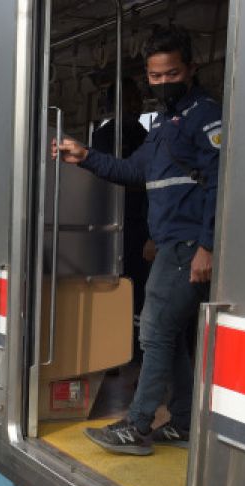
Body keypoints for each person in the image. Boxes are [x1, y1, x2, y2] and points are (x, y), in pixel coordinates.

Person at [54, 25, 221, 456]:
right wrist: (86, 157)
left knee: (152, 332)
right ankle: (182, 423)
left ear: (190, 69)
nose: (163, 83)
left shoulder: (205, 115)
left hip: (188, 245)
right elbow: (134, 172)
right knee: (172, 333)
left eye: (171, 74)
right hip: (170, 242)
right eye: (155, 76)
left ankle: (137, 424)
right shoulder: (164, 124)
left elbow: (223, 180)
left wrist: (208, 245)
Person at [91, 77, 151, 362]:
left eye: (137, 99)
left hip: (134, 226)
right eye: (129, 100)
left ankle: (131, 351)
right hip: (119, 224)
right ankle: (119, 351)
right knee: (123, 290)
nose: (135, 105)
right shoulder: (107, 137)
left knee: (135, 291)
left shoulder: (142, 135)